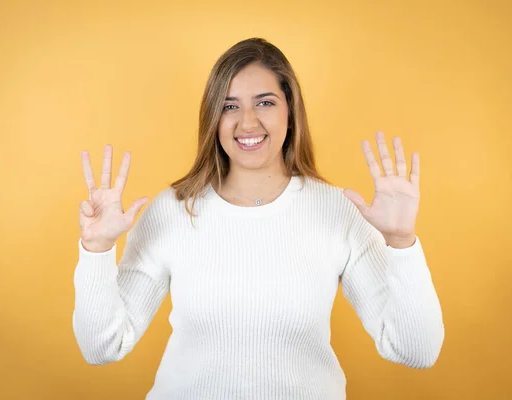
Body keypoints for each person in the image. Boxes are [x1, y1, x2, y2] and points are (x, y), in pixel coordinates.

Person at [73, 37, 444, 400]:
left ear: (290, 112)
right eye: (229, 106)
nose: (247, 123)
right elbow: (103, 346)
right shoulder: (172, 209)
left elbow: (416, 351)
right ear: (213, 118)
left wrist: (401, 243)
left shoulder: (339, 211)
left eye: (264, 102)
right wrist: (97, 248)